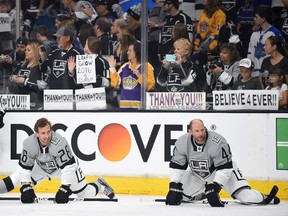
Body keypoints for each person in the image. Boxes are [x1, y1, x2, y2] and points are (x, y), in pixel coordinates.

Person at [165, 118, 280, 207]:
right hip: (197, 174)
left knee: (247, 198)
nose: (200, 134)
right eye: (197, 131)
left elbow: (225, 168)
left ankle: (262, 196)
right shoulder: (182, 142)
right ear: (190, 131)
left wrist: (215, 186)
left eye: (202, 130)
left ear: (205, 128)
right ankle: (203, 194)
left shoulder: (217, 142)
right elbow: (177, 166)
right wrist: (174, 184)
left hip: (223, 172)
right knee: (180, 196)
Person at [0, 117, 115, 203]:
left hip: (62, 169)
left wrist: (64, 188)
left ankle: (99, 184)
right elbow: (24, 168)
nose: (46, 136)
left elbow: (68, 167)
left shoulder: (59, 142)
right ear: (36, 134)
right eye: (43, 133)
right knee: (15, 179)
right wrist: (26, 186)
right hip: (40, 167)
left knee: (85, 194)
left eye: (48, 132)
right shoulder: (29, 143)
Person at [108, 41, 155, 110]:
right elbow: (115, 83)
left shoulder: (147, 66)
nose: (127, 53)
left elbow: (150, 86)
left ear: (136, 52)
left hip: (140, 109)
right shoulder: (124, 67)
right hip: (124, 108)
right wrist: (112, 68)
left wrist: (139, 76)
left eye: (130, 51)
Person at [8, 40, 47, 109]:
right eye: (26, 50)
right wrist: (13, 78)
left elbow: (43, 85)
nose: (25, 52)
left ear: (35, 52)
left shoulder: (40, 67)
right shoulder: (21, 65)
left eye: (28, 50)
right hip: (19, 101)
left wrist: (25, 81)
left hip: (34, 102)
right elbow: (11, 76)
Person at [247, 6, 284, 77]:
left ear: (263, 19)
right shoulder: (254, 34)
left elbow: (281, 53)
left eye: (256, 17)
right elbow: (250, 53)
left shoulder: (275, 33)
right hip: (254, 74)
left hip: (271, 73)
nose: (254, 19)